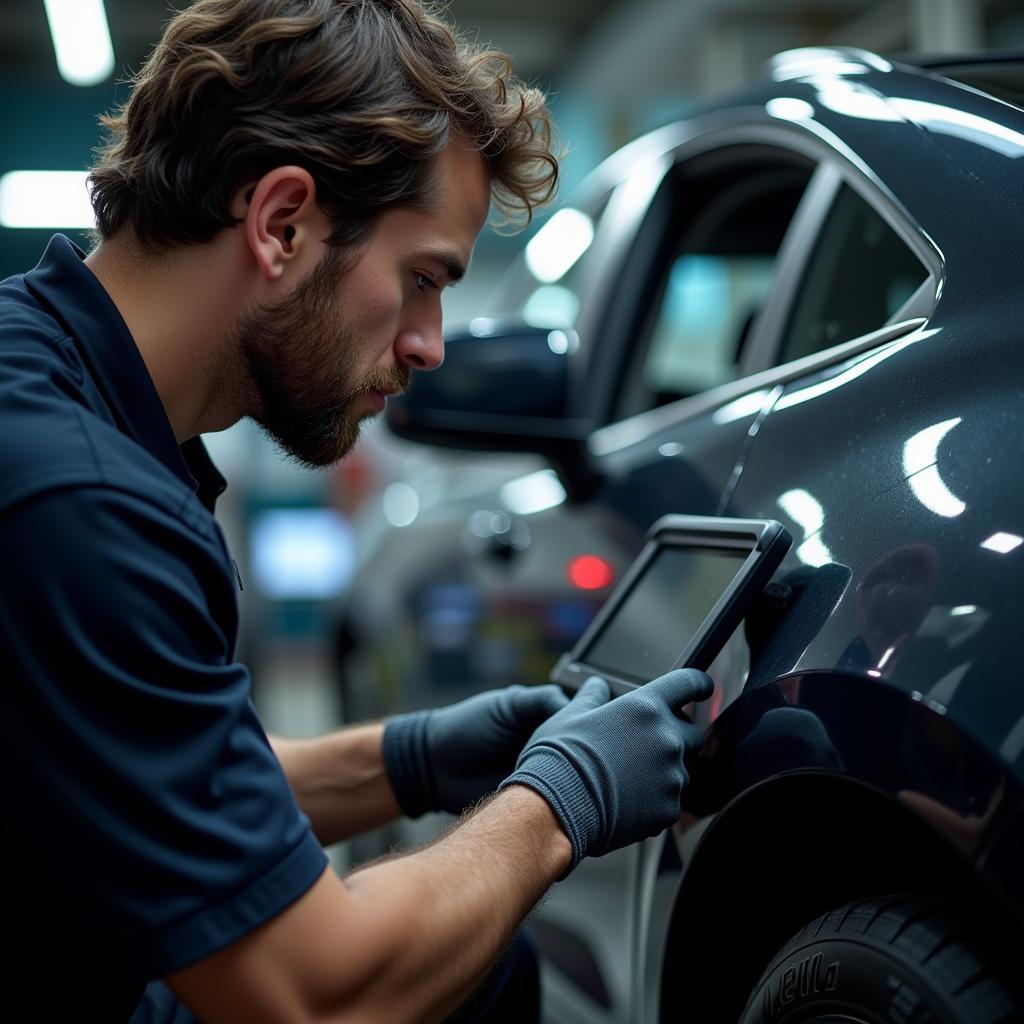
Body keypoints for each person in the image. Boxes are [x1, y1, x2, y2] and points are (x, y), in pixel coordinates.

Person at [0, 1, 713, 1020]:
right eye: (421, 280)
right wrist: (557, 807)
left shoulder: (48, 389)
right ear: (282, 222)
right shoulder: (79, 500)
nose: (430, 343)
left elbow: (138, 765)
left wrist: (412, 758)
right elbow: (311, 997)